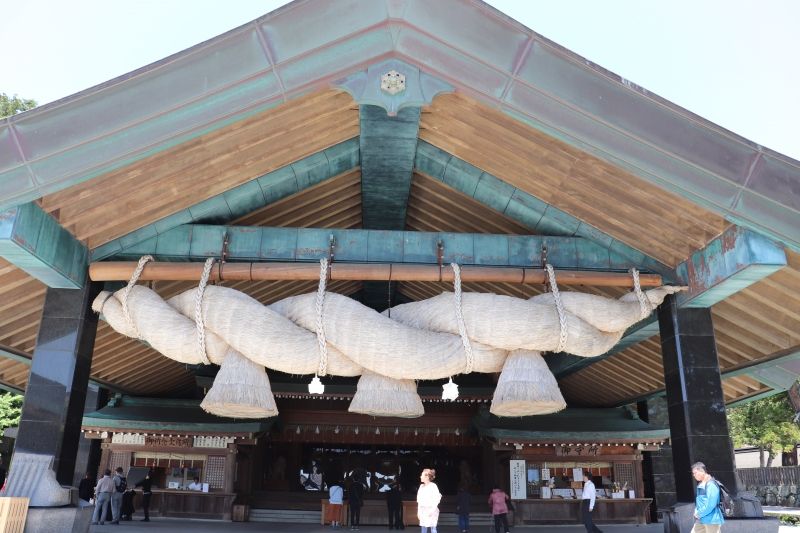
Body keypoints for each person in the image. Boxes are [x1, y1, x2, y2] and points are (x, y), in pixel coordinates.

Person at [691, 462, 724, 533]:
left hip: (711, 520)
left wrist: (699, 513)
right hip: (701, 518)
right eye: (693, 473)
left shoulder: (711, 484)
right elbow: (700, 501)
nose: (694, 475)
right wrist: (696, 511)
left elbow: (711, 504)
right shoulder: (702, 484)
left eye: (695, 473)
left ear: (702, 471)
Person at [416, 468, 441, 533]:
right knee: (423, 528)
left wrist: (432, 510)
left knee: (433, 528)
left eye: (422, 475)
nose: (420, 476)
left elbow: (436, 499)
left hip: (431, 509)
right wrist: (418, 511)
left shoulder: (433, 486)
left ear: (427, 477)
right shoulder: (421, 486)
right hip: (423, 510)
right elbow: (419, 500)